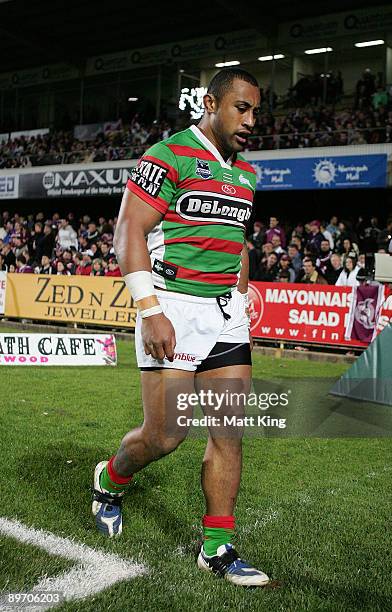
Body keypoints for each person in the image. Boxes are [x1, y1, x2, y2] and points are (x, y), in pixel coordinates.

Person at [91, 68, 269, 586]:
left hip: (224, 315)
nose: (251, 120)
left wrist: (241, 304)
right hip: (170, 304)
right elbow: (129, 232)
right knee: (167, 436)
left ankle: (217, 547)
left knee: (229, 433)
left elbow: (236, 244)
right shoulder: (166, 156)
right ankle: (111, 477)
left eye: (256, 111)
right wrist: (150, 310)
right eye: (242, 108)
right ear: (211, 103)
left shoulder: (247, 175)